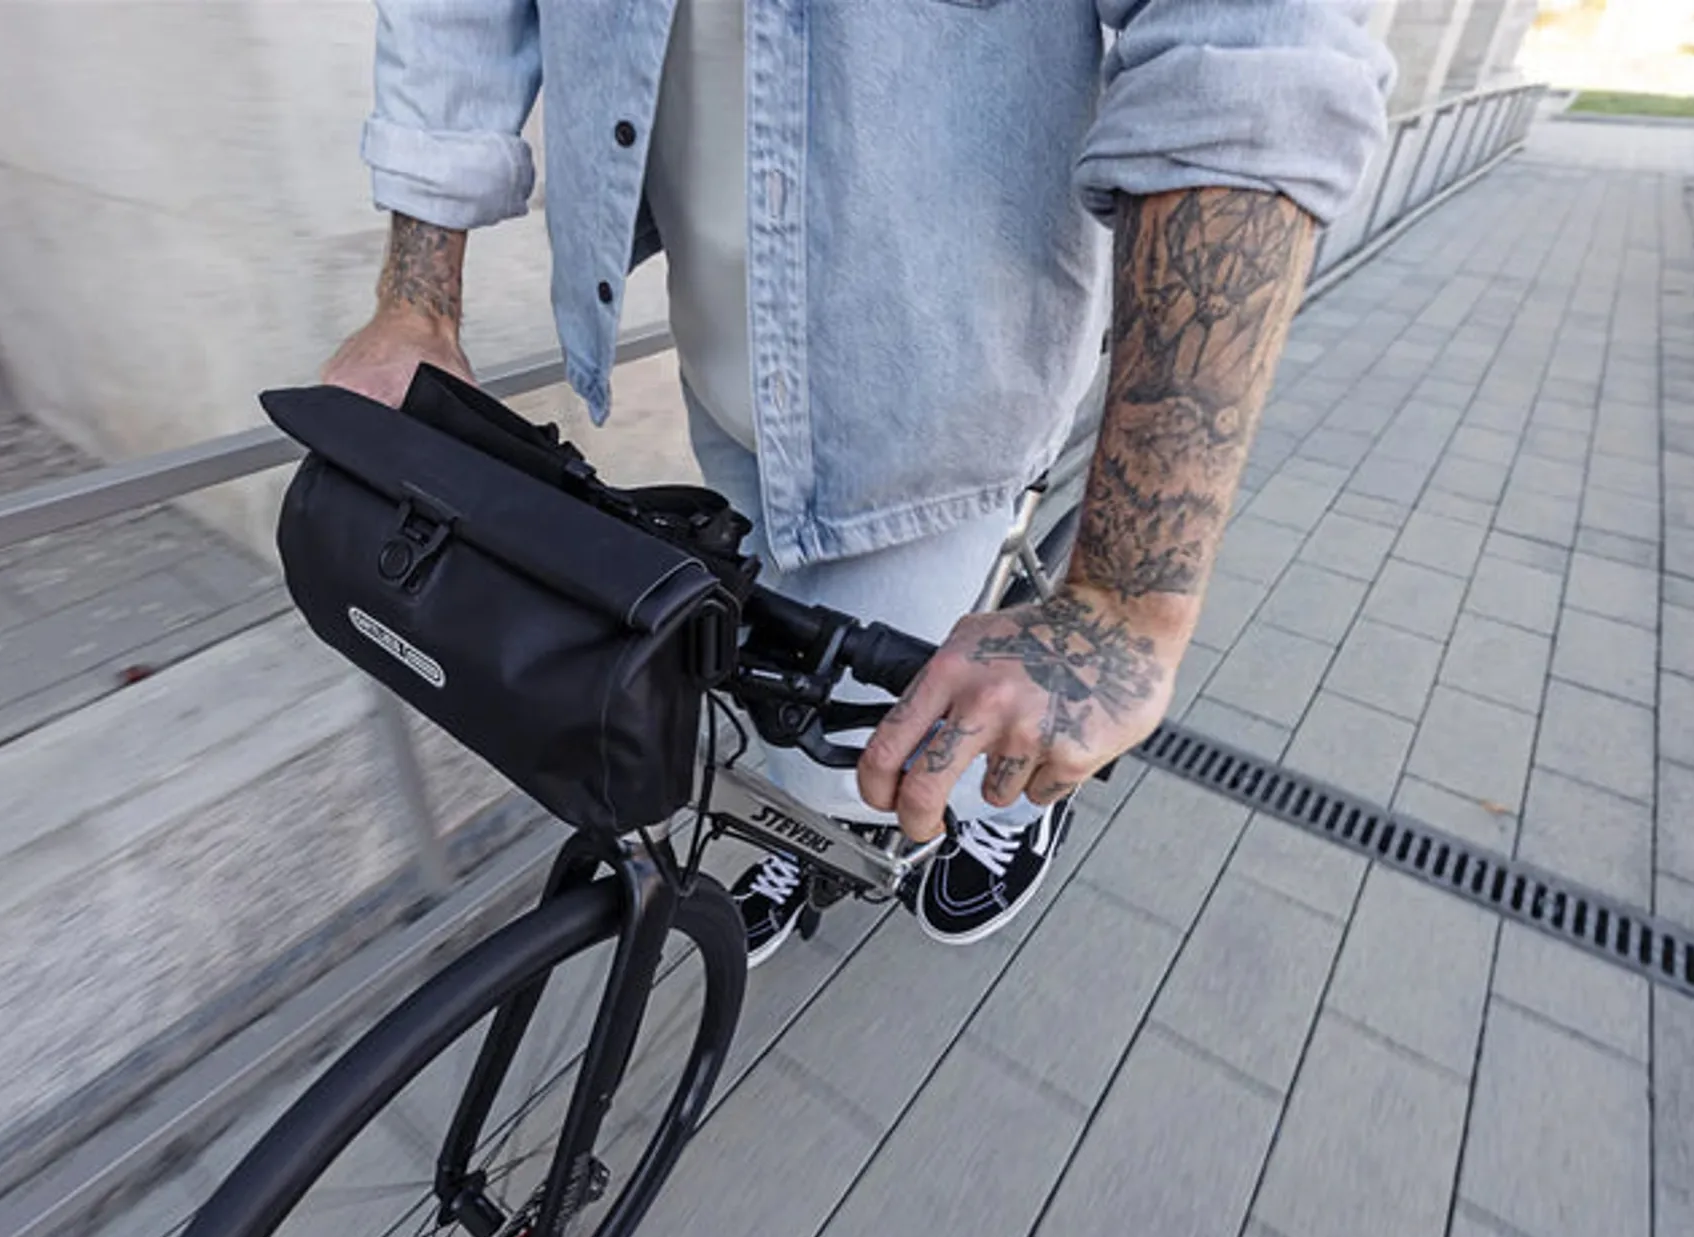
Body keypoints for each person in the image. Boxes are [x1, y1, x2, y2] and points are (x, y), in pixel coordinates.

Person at [326, 0, 1394, 967]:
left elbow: (1256, 48)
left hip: (937, 397)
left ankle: (1010, 809)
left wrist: (1121, 602)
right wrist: (418, 301)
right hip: (722, 358)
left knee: (913, 726)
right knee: (776, 688)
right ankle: (806, 837)